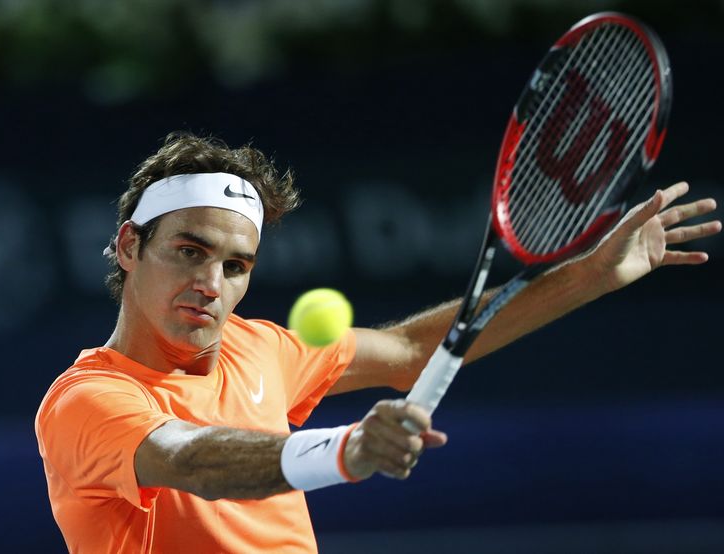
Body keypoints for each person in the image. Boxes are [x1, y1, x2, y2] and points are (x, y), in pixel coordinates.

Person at [35, 132, 720, 553]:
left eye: (237, 265)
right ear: (130, 246)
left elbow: (414, 351)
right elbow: (191, 459)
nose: (212, 283)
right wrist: (346, 449)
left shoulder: (263, 350)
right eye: (189, 251)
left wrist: (591, 274)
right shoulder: (86, 401)